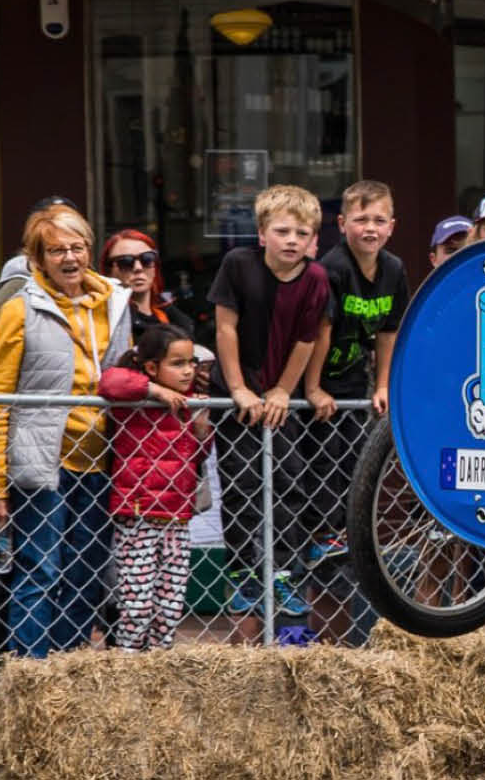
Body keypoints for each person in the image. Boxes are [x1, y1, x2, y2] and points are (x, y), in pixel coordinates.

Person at [0, 204, 132, 657]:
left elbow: (124, 376)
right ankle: (31, 674)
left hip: (101, 461)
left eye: (77, 247)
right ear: (37, 258)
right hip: (43, 463)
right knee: (39, 570)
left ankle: (66, 672)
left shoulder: (113, 301)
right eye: (56, 250)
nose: (69, 258)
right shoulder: (20, 309)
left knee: (85, 574)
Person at [207, 184, 330, 636]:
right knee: (241, 484)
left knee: (289, 480)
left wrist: (282, 390)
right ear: (262, 234)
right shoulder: (237, 265)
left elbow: (306, 339)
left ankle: (283, 573)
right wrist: (240, 388)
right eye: (282, 231)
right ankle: (242, 575)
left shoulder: (315, 278)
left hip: (280, 396)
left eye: (302, 232)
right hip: (239, 390)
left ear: (314, 239)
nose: (292, 240)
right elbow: (225, 328)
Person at [308, 179, 410, 643]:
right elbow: (319, 332)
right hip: (318, 384)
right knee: (317, 476)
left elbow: (388, 332)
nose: (370, 228)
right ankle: (320, 544)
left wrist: (383, 383)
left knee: (352, 469)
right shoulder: (332, 268)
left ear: (392, 226)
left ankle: (341, 538)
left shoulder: (393, 270)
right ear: (342, 223)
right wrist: (312, 387)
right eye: (361, 219)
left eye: (378, 220)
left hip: (354, 385)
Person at [97, 322, 210, 651]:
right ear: (150, 367)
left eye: (191, 363)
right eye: (177, 364)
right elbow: (109, 381)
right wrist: (154, 390)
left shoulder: (190, 403)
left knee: (170, 608)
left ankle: (158, 669)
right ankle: (129, 666)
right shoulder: (135, 396)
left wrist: (203, 432)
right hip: (139, 515)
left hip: (177, 518)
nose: (188, 371)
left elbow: (197, 454)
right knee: (137, 606)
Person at [102, 229, 195, 351]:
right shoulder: (103, 319)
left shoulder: (176, 318)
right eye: (125, 262)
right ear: (109, 270)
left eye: (147, 259)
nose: (138, 268)